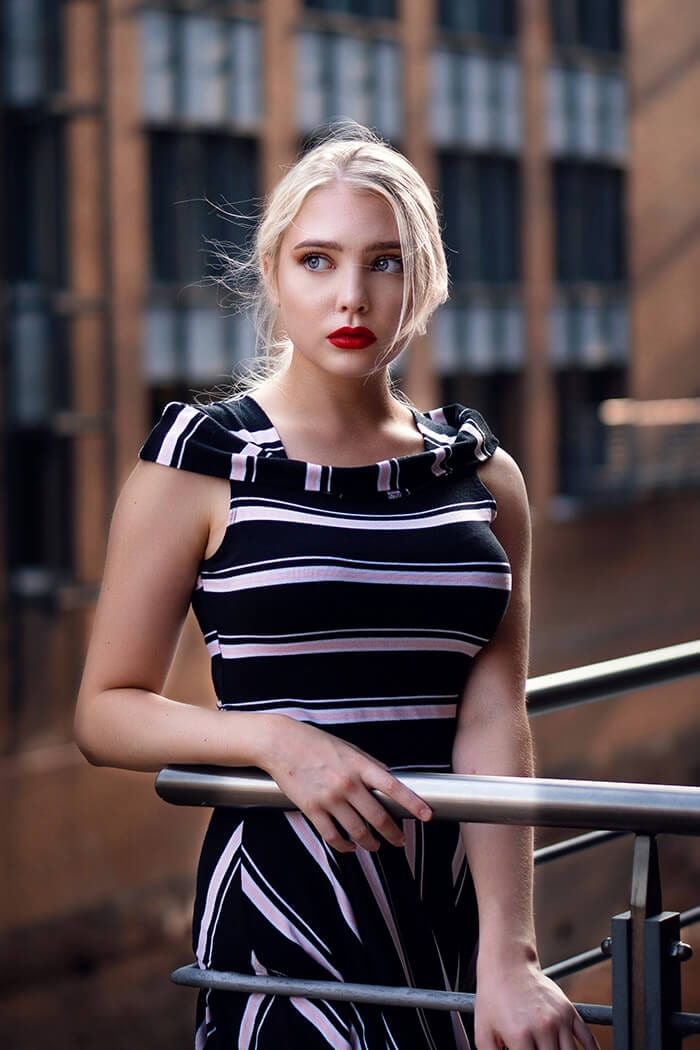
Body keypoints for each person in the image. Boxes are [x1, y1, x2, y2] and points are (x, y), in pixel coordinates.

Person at [75, 124, 598, 1050]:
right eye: (318, 260)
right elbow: (106, 712)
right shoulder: (203, 462)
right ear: (275, 274)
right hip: (283, 914)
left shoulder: (483, 475)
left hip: (448, 909)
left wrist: (509, 954)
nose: (351, 295)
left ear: (425, 281)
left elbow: (492, 713)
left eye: (384, 263)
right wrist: (275, 742)